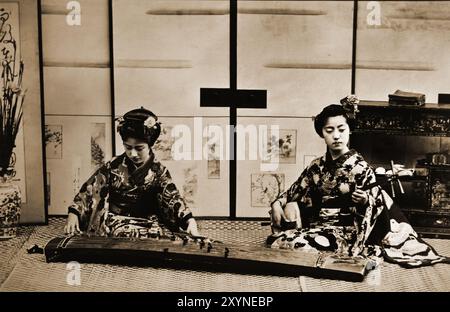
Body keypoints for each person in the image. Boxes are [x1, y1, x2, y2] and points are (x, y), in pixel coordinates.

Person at [269, 97, 448, 267]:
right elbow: (294, 191)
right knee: (280, 241)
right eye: (329, 131)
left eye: (341, 129)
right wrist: (277, 204)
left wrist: (364, 202)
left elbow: (377, 206)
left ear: (350, 130)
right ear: (322, 133)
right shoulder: (316, 166)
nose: (336, 136)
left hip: (349, 231)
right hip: (319, 225)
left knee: (298, 245)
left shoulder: (361, 168)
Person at [65, 107, 199, 238]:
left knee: (160, 235)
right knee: (122, 233)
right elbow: (91, 188)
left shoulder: (159, 171)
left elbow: (172, 198)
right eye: (128, 147)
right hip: (116, 220)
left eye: (139, 148)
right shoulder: (114, 166)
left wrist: (189, 220)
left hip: (147, 221)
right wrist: (74, 213)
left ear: (149, 145)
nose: (133, 154)